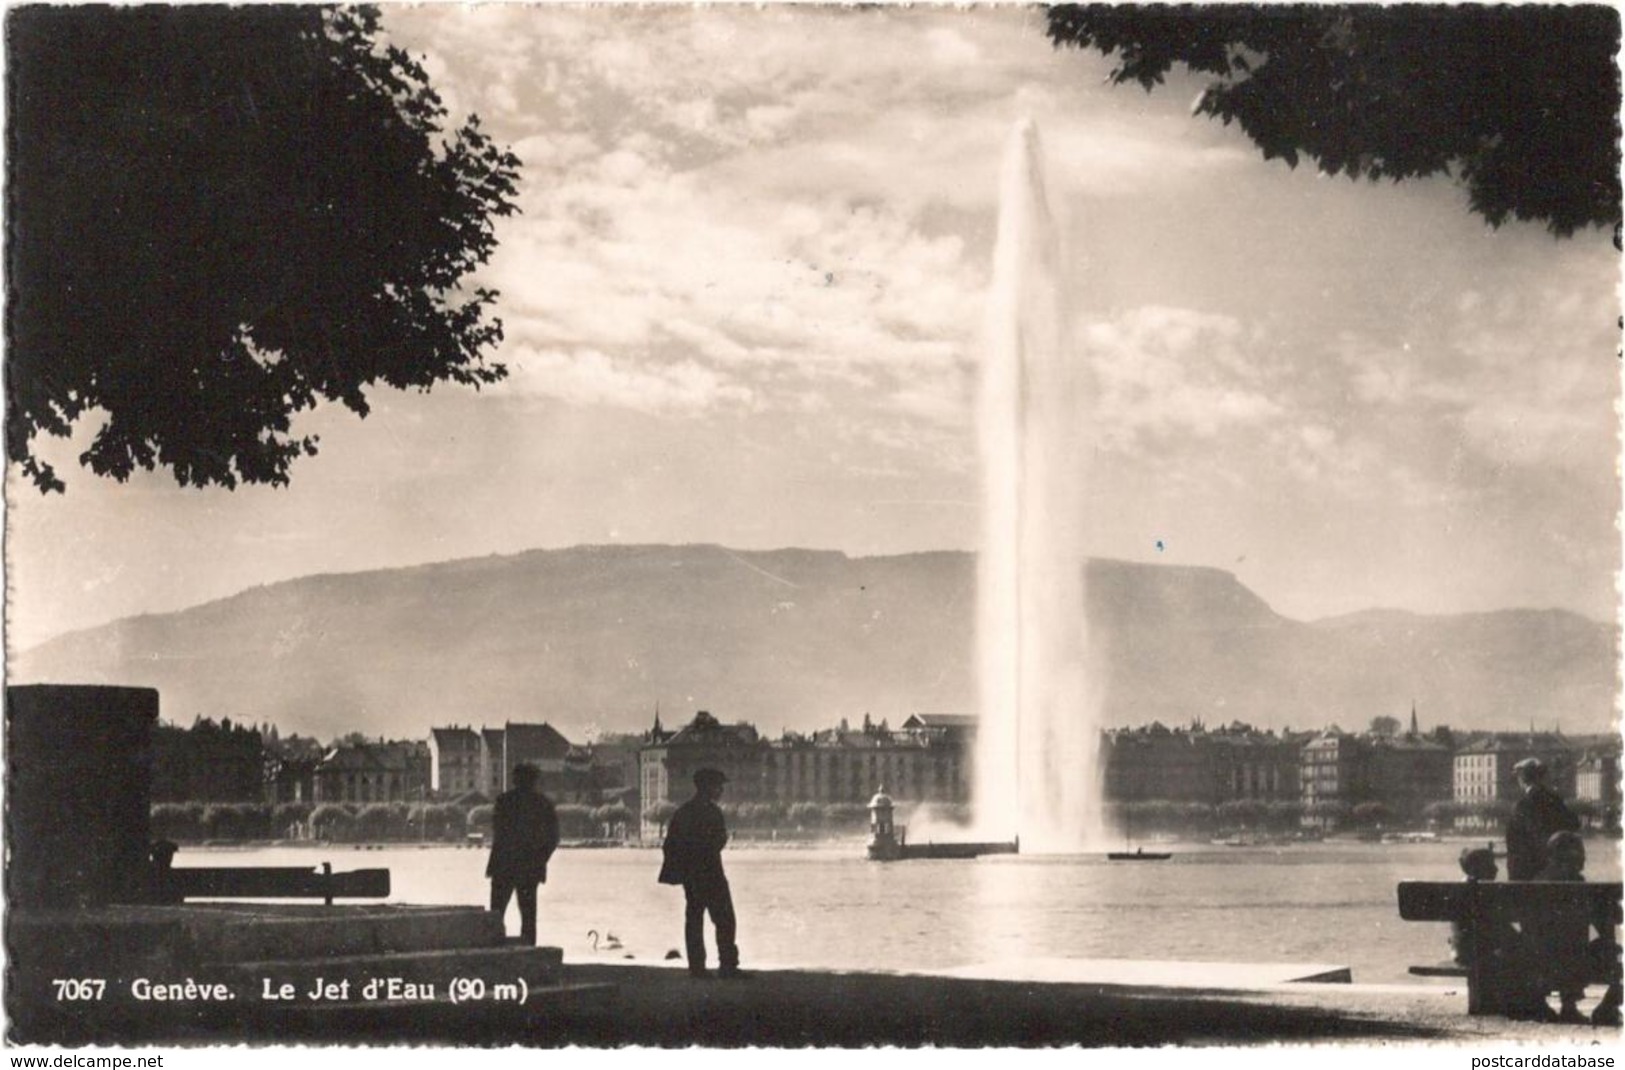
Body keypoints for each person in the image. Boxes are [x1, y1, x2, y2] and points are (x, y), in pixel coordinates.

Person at [658, 767, 746, 979]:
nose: (721, 790)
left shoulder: (683, 812)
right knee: (725, 920)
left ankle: (697, 968)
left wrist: (681, 870)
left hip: (693, 875)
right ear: (708, 787)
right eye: (718, 786)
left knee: (695, 919)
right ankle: (727, 966)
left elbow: (670, 845)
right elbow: (718, 841)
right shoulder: (713, 812)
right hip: (713, 873)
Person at [486, 762, 560, 945]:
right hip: (530, 868)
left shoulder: (503, 801)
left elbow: (498, 832)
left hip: (503, 865)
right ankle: (529, 954)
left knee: (496, 914)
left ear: (515, 779)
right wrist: (540, 859)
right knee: (528, 917)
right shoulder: (544, 804)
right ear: (535, 780)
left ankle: (493, 952)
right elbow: (553, 838)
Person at [1505, 758, 1580, 882]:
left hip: (1527, 871)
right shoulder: (1556, 801)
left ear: (1522, 779)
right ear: (1541, 777)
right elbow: (1574, 824)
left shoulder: (1522, 805)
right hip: (1556, 869)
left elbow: (1514, 841)